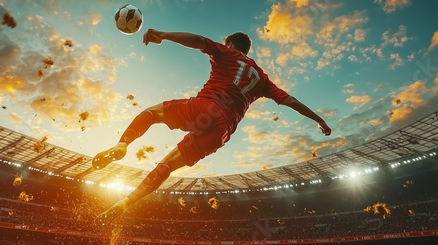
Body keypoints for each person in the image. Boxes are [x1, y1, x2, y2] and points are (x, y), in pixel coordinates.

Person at [93, 29, 332, 226]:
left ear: (230, 44)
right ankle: (125, 202)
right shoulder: (263, 79)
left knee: (150, 114)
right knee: (165, 166)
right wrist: (319, 119)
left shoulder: (228, 53)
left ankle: (122, 144)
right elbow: (291, 101)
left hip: (207, 108)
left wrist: (163, 35)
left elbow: (198, 41)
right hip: (222, 132)